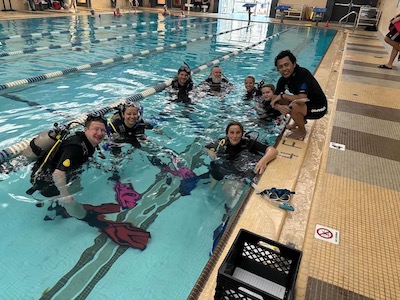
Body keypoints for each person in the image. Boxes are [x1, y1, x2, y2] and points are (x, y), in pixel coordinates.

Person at [27, 114, 150, 250]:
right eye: (96, 129)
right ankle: (93, 220)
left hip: (62, 174)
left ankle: (56, 207)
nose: (100, 133)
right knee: (72, 200)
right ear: (86, 130)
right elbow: (58, 173)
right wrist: (65, 195)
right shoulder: (75, 147)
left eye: (102, 130)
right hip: (47, 182)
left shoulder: (86, 142)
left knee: (77, 186)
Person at [272, 50, 327, 140]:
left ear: (294, 64)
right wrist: (278, 107)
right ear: (278, 69)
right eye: (280, 67)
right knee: (282, 101)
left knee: (295, 105)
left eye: (286, 65)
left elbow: (302, 98)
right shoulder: (282, 80)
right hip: (305, 104)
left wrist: (284, 96)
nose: (284, 69)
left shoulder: (303, 74)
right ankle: (300, 120)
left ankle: (302, 131)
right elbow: (273, 100)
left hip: (319, 107)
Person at [204, 121, 278, 181]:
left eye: (238, 132)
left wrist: (263, 161)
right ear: (227, 134)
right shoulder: (222, 143)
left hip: (246, 166)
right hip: (230, 167)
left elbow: (273, 151)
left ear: (242, 134)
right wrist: (211, 153)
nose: (235, 136)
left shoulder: (248, 142)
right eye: (232, 133)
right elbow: (206, 147)